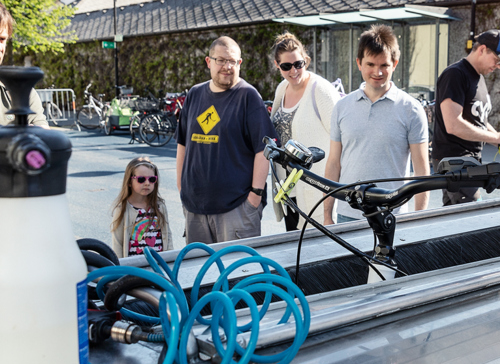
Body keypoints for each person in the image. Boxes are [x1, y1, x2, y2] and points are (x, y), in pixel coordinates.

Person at [323, 25, 429, 225]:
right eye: (370, 64)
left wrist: (418, 221)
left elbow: (422, 172)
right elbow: (334, 163)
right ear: (359, 63)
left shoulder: (412, 110)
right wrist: (328, 215)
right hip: (348, 215)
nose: (377, 72)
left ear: (394, 64)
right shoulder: (341, 107)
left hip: (393, 216)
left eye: (384, 65)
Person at [176, 36, 276, 244]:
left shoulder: (248, 97)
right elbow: (183, 143)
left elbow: (264, 149)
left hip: (236, 209)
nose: (227, 67)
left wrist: (254, 198)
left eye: (232, 61)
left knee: (238, 275)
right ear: (208, 62)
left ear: (240, 63)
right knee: (201, 273)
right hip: (195, 209)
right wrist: (181, 186)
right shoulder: (195, 94)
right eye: (221, 60)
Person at [431, 29, 500, 205]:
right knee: (473, 216)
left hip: (467, 161)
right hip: (454, 161)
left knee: (454, 221)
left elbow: (480, 122)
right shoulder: (455, 74)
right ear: (482, 49)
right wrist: (497, 137)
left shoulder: (478, 77)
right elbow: (453, 124)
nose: (499, 66)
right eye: (497, 59)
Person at [269, 32, 341, 230]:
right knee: (295, 251)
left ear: (306, 60)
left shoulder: (321, 90)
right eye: (286, 66)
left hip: (315, 190)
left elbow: (342, 139)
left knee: (317, 252)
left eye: (298, 64)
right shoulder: (282, 89)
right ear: (277, 65)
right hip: (288, 189)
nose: (294, 71)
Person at [110, 157, 173, 258]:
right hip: (134, 268)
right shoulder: (123, 208)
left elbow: (167, 236)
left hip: (158, 265)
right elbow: (117, 242)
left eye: (152, 179)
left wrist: (170, 261)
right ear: (129, 182)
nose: (147, 183)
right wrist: (120, 269)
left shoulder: (159, 206)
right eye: (141, 179)